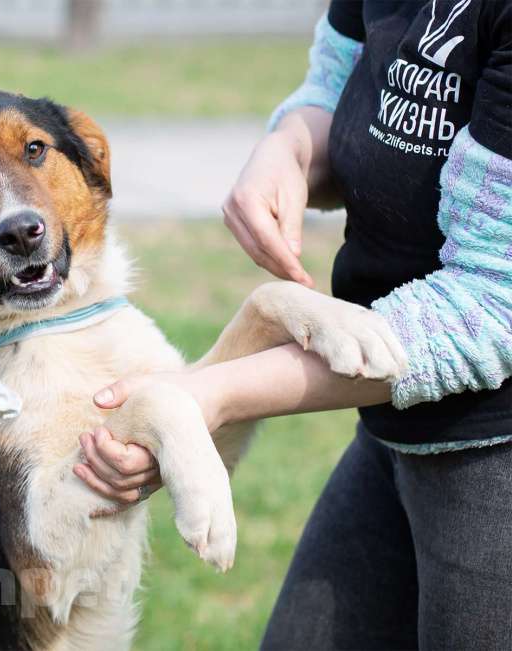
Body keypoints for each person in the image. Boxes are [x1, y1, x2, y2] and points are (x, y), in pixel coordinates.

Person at [73, 1, 512, 648]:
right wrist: (288, 147)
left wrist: (212, 395)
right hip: (394, 433)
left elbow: (491, 305)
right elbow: (335, 92)